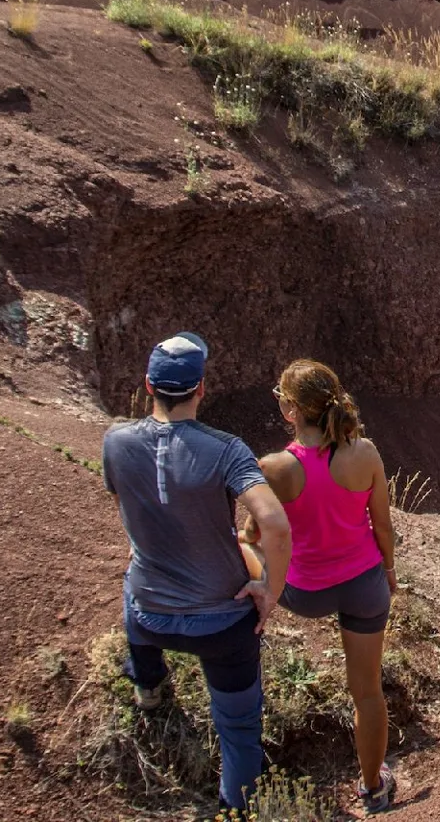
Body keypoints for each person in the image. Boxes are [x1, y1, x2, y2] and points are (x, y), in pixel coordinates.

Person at [103, 332, 291, 816]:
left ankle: (148, 683)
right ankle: (237, 810)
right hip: (222, 623)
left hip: (151, 615)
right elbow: (272, 521)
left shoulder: (116, 442)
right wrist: (271, 589)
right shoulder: (226, 450)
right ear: (201, 388)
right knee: (238, 728)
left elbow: (127, 501)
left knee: (133, 580)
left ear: (148, 385)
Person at [240, 359, 399, 814]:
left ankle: (246, 602)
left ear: (291, 411)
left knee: (238, 546)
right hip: (364, 585)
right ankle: (373, 786)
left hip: (304, 594)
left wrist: (263, 570)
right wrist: (388, 570)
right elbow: (382, 525)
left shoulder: (273, 467)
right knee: (367, 691)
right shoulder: (365, 453)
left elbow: (256, 533)